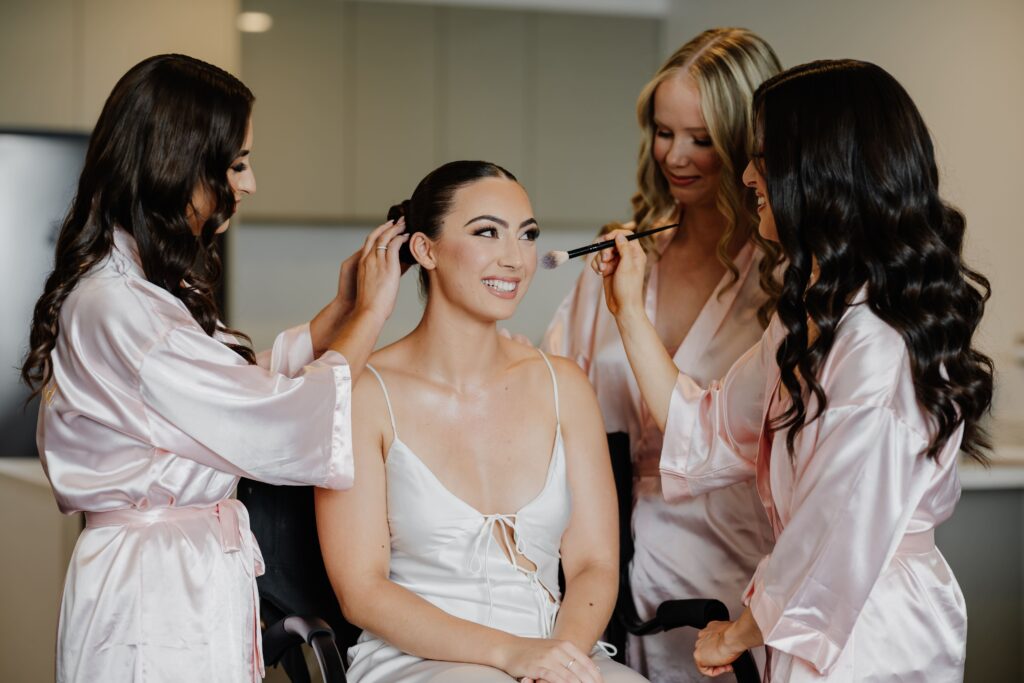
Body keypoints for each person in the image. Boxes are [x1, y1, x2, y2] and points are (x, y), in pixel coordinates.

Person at [596, 59, 993, 681]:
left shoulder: (876, 346)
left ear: (821, 176)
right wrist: (628, 312)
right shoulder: (812, 317)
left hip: (871, 631)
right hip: (806, 618)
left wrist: (737, 634)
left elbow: (832, 529)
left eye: (764, 158)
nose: (749, 175)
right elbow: (709, 430)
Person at [20, 54, 408, 683]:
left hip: (179, 569)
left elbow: (234, 389)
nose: (249, 183)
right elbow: (270, 419)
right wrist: (371, 312)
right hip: (154, 590)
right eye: (236, 163)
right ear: (178, 161)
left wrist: (341, 310)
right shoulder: (120, 306)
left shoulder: (140, 289)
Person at [315, 160, 650, 683]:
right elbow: (361, 591)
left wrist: (557, 657)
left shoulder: (565, 386)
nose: (514, 258)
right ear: (425, 250)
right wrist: (510, 655)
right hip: (421, 660)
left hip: (555, 650)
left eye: (527, 235)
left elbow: (593, 564)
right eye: (487, 233)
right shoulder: (362, 394)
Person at [544, 28, 782, 681]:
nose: (676, 156)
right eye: (663, 131)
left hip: (737, 564)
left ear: (745, 146)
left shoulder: (780, 279)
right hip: (611, 565)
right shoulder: (620, 261)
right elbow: (552, 390)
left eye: (701, 139)